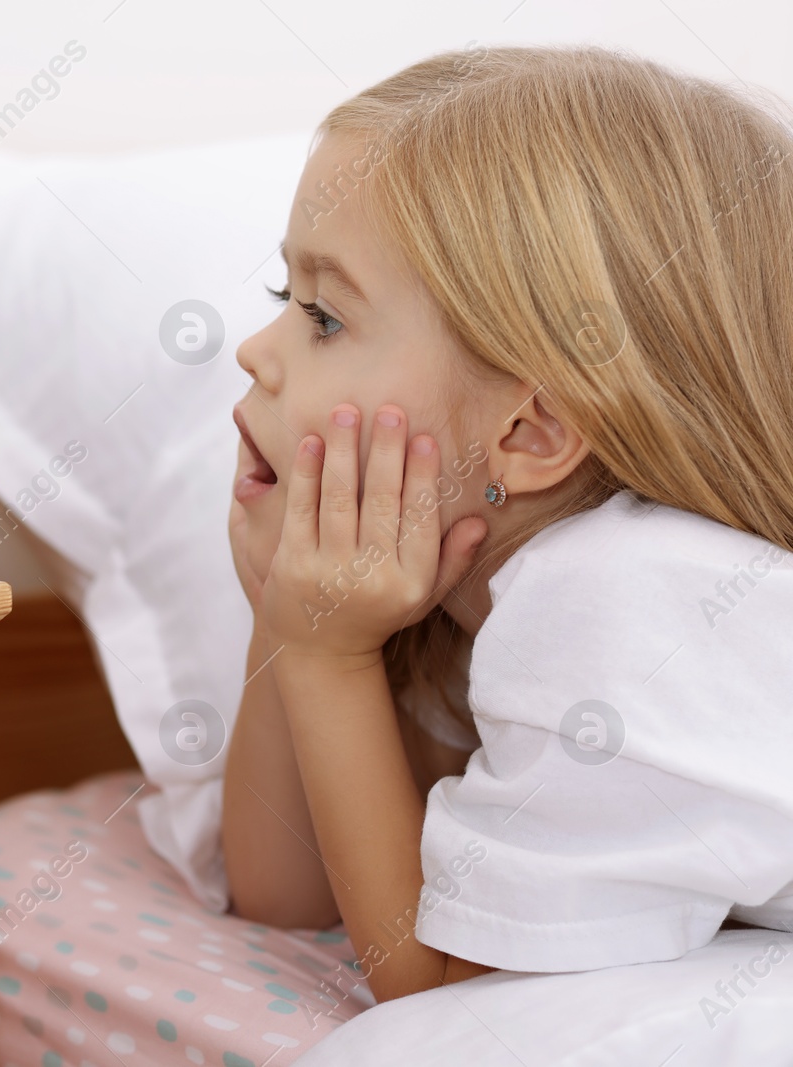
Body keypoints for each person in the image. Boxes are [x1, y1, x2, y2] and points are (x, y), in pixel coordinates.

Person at [224, 41, 793, 1014]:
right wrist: (290, 624)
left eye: (322, 316)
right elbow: (286, 892)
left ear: (529, 432)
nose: (253, 349)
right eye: (285, 296)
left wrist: (326, 659)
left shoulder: (617, 598)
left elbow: (448, 987)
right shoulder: (487, 599)